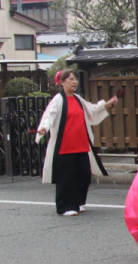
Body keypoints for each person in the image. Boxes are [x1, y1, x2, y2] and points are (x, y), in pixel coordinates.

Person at [36, 70, 117, 216]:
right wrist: (44, 128)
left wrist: (108, 104)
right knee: (66, 177)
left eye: (75, 79)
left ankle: (77, 203)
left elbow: (92, 111)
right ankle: (65, 207)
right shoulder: (58, 100)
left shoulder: (78, 99)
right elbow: (49, 116)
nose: (75, 82)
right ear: (62, 82)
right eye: (71, 79)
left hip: (81, 144)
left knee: (83, 175)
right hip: (65, 146)